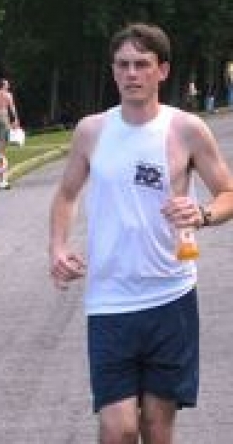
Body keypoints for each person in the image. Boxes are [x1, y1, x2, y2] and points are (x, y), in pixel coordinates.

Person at [49, 23, 233, 444]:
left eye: (142, 64)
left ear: (162, 70)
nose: (131, 73)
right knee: (119, 428)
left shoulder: (186, 129)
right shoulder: (92, 131)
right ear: (113, 71)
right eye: (123, 64)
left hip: (170, 295)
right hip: (110, 299)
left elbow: (228, 193)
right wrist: (57, 247)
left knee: (155, 425)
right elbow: (66, 194)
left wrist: (202, 214)